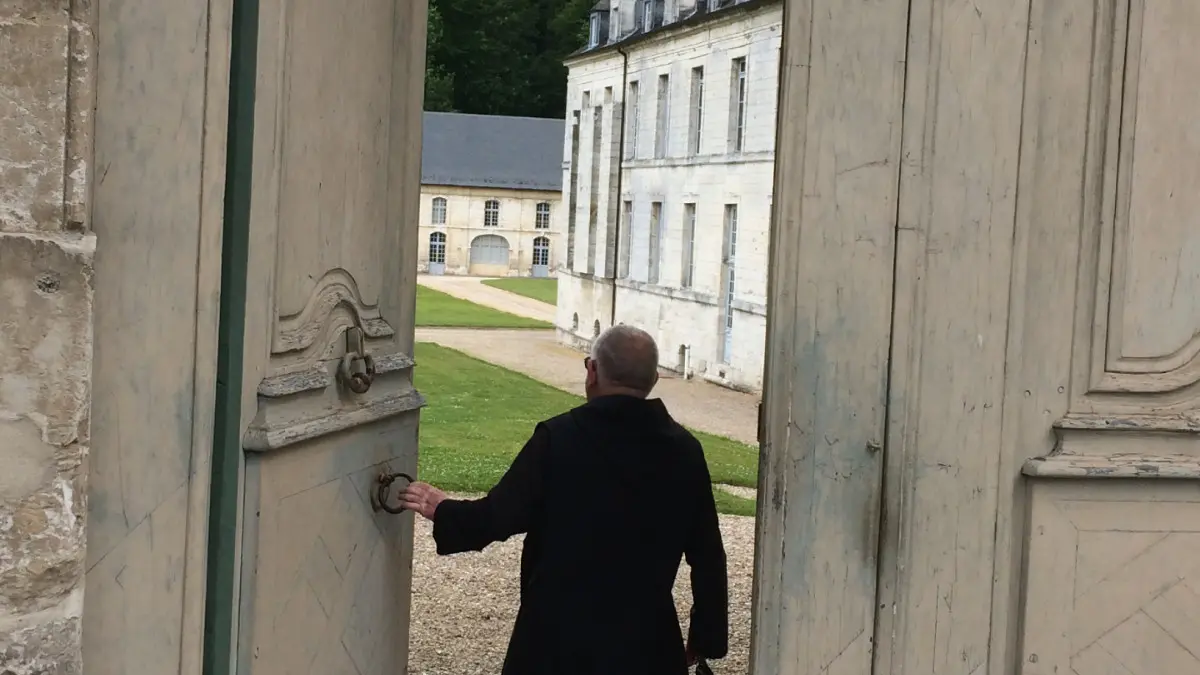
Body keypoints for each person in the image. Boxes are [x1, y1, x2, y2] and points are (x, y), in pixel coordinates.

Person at [400, 324, 729, 674]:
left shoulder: (559, 438)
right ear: (653, 380)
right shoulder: (684, 451)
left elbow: (498, 517)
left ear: (593, 371)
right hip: (646, 641)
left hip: (555, 641)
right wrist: (707, 636)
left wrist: (443, 509)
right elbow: (708, 554)